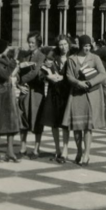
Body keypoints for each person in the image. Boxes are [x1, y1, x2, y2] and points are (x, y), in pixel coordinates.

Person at [62, 34, 106, 166]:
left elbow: (103, 74)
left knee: (87, 127)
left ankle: (87, 154)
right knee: (77, 125)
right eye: (85, 46)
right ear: (80, 46)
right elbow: (68, 75)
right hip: (76, 94)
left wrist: (90, 82)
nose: (87, 48)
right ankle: (79, 151)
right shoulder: (72, 59)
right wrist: (77, 83)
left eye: (89, 46)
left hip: (90, 94)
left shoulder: (95, 58)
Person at [0, 38, 21, 162]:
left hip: (9, 91)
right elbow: (5, 74)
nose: (8, 49)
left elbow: (11, 73)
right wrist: (14, 61)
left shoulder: (4, 59)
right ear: (1, 49)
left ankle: (10, 152)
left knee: (11, 121)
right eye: (6, 47)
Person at [18, 32, 48, 158]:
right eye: (29, 42)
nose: (30, 44)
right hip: (25, 92)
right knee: (22, 118)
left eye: (32, 42)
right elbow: (18, 71)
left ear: (38, 43)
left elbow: (35, 73)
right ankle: (23, 148)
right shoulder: (26, 55)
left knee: (36, 120)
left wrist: (21, 81)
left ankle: (36, 149)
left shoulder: (41, 56)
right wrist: (18, 85)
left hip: (36, 93)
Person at [42, 34, 72, 163]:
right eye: (60, 44)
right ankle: (57, 149)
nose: (63, 47)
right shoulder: (53, 57)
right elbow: (43, 71)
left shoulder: (72, 58)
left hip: (67, 92)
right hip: (54, 92)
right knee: (54, 122)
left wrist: (64, 78)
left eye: (65, 44)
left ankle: (65, 149)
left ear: (68, 44)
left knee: (65, 123)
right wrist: (48, 76)